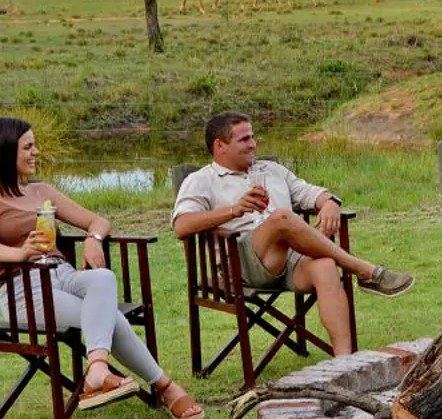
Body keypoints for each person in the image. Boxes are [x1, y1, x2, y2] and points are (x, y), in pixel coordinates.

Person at [0, 118, 203, 417]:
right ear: (3, 150)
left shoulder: (41, 192)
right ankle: (167, 388)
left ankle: (97, 370)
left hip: (63, 274)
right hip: (23, 290)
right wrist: (21, 252)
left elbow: (98, 220)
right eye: (27, 147)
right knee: (108, 317)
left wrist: (94, 238)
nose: (35, 152)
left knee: (102, 277)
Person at [172, 112, 415, 356]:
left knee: (326, 267)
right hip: (237, 268)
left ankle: (345, 361)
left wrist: (331, 203)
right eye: (244, 139)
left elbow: (311, 193)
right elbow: (181, 225)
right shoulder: (201, 180)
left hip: (286, 260)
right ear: (220, 145)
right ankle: (364, 270)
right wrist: (234, 210)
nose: (253, 144)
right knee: (281, 218)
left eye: (253, 137)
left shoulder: (272, 170)